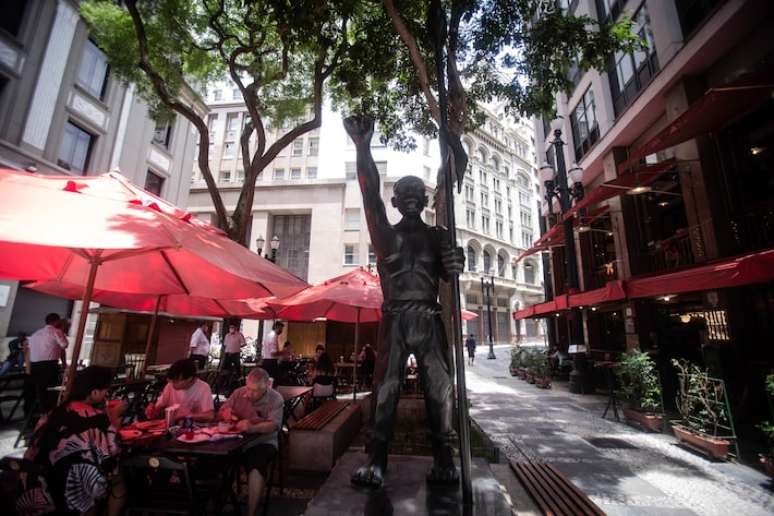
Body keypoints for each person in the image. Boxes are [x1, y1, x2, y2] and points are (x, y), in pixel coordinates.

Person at [345, 115, 465, 488]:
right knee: (385, 389)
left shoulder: (439, 235)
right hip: (395, 318)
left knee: (440, 387)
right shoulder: (384, 236)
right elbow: (368, 194)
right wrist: (363, 147)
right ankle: (376, 460)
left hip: (429, 318)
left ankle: (444, 456)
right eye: (405, 195)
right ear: (395, 202)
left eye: (418, 195)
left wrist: (455, 262)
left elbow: (450, 273)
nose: (412, 200)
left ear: (425, 201)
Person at [16, 366, 126, 516]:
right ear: (94, 392)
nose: (107, 395)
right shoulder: (98, 417)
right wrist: (114, 419)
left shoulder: (52, 414)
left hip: (37, 480)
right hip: (72, 487)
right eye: (106, 391)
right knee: (118, 483)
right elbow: (113, 451)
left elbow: (34, 447)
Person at [218, 368, 283, 516]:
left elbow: (273, 426)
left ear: (266, 387)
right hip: (235, 441)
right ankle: (216, 503)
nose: (250, 393)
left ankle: (251, 513)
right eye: (248, 388)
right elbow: (222, 411)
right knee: (217, 460)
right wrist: (225, 413)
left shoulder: (275, 398)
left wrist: (252, 428)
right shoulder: (239, 393)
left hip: (263, 441)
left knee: (256, 465)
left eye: (255, 391)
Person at [145, 359, 214, 423]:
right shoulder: (170, 385)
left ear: (189, 379)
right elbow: (159, 408)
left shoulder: (203, 388)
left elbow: (209, 416)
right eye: (171, 380)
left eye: (176, 381)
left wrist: (188, 415)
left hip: (193, 429)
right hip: (172, 426)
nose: (172, 384)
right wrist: (153, 410)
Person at [27, 313, 69, 412]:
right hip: (48, 366)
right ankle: (49, 412)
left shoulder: (36, 333)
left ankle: (37, 412)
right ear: (57, 321)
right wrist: (62, 331)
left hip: (34, 366)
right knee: (50, 390)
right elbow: (64, 345)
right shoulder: (56, 332)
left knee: (38, 390)